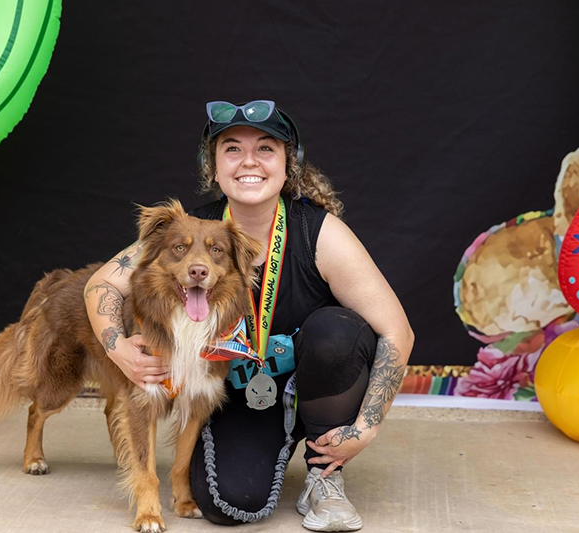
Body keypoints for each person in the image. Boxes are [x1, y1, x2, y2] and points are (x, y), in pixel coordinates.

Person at [84, 100, 414, 531]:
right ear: (214, 168)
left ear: (287, 165)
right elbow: (102, 284)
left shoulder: (320, 232)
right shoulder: (191, 229)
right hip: (236, 393)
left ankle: (323, 474)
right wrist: (117, 347)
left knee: (337, 331)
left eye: (266, 149)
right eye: (232, 149)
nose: (249, 162)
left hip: (314, 389)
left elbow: (397, 332)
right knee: (228, 503)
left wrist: (366, 427)